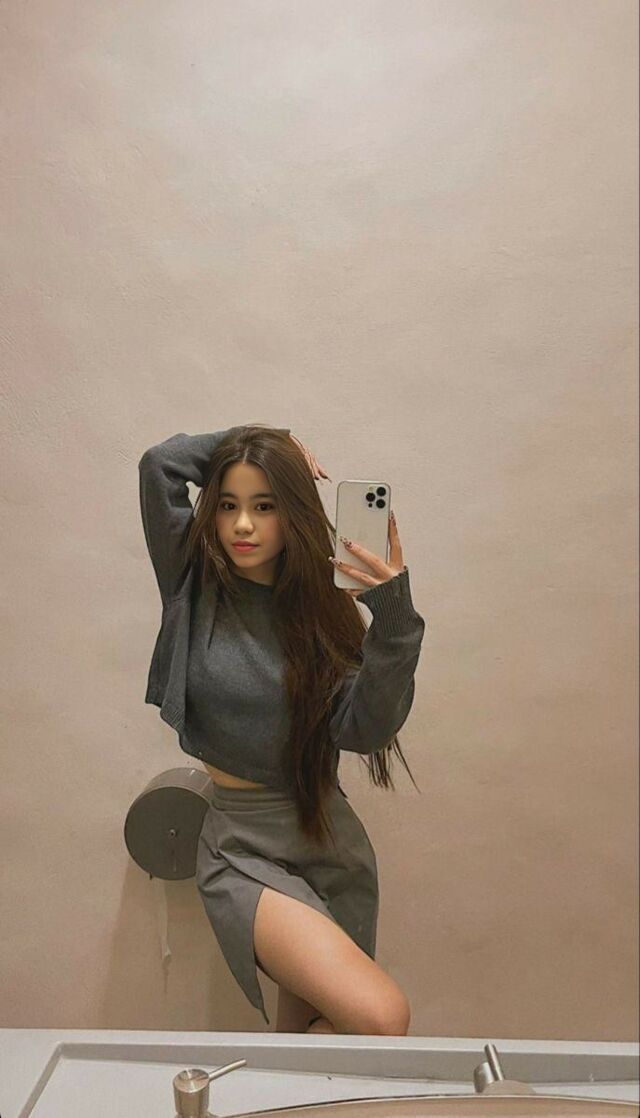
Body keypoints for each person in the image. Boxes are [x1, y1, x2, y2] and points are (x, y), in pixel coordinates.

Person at [138, 424, 426, 1033]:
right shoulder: (191, 582)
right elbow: (160, 464)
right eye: (228, 505)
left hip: (328, 843)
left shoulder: (319, 615)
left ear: (292, 513)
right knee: (381, 1017)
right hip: (241, 847)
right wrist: (264, 438)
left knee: (310, 1046)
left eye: (264, 506)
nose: (242, 525)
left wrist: (393, 618)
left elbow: (365, 732)